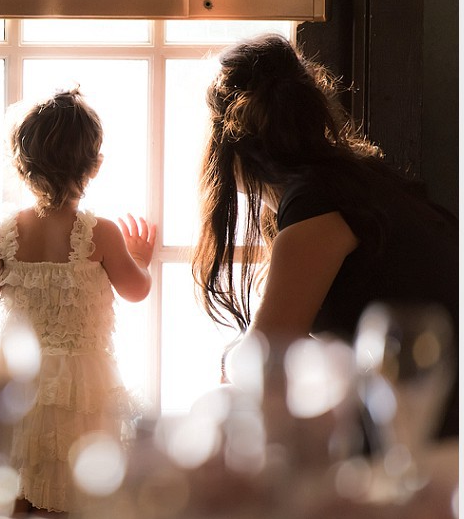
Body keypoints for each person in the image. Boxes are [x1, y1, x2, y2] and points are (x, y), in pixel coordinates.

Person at [192, 33, 458, 441]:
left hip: (434, 432)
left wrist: (232, 358)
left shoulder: (316, 204)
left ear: (228, 144)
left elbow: (265, 362)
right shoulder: (360, 181)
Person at [0, 88, 157, 516]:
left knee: (14, 488)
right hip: (81, 385)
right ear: (95, 166)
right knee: (74, 495)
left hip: (16, 379)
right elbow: (136, 290)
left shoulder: (5, 230)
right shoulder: (101, 232)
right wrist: (140, 258)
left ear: (20, 165)